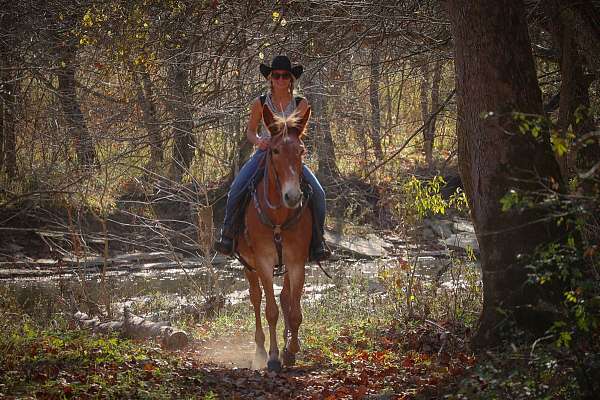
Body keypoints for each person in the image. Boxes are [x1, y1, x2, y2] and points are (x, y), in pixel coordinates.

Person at [214, 55, 330, 262]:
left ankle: (318, 242)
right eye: (276, 76)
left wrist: (294, 141)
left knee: (319, 193)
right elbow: (250, 131)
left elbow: (298, 131)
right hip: (265, 152)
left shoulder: (300, 103)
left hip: (291, 156)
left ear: (291, 79)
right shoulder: (259, 103)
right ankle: (228, 235)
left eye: (285, 76)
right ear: (270, 78)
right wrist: (259, 141)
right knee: (236, 189)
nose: (280, 80)